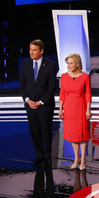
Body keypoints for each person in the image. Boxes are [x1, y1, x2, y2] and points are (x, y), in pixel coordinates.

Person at [19, 39, 58, 167]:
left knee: (46, 131)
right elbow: (23, 85)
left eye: (34, 50)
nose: (31, 52)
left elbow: (52, 87)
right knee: (34, 130)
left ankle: (47, 156)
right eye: (30, 49)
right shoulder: (25, 64)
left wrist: (41, 102)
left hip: (45, 105)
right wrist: (27, 100)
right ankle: (39, 155)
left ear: (41, 51)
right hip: (30, 104)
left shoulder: (50, 65)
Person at [59, 54, 92, 170]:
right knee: (73, 135)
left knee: (82, 136)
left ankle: (83, 159)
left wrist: (88, 109)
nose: (68, 65)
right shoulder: (63, 76)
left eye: (71, 63)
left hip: (81, 108)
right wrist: (61, 109)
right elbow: (62, 93)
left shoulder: (85, 77)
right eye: (67, 63)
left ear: (77, 64)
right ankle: (76, 158)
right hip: (69, 108)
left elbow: (88, 94)